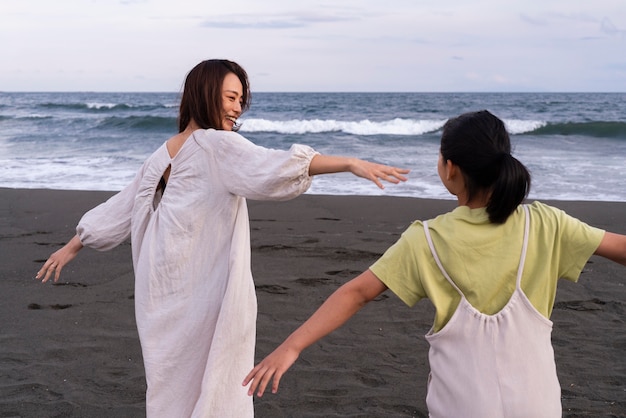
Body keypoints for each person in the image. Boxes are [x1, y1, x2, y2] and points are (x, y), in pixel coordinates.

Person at [35, 59, 409, 417]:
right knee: (219, 374)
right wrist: (348, 163)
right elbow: (271, 166)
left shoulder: (163, 151)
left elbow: (121, 208)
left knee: (170, 380)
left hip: (159, 292)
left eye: (241, 100)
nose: (238, 108)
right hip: (204, 289)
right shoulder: (215, 145)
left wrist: (74, 244)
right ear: (205, 93)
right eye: (231, 97)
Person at [243, 110, 626, 417]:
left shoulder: (426, 238)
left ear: (450, 168)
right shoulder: (546, 223)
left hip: (461, 404)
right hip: (538, 403)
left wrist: (291, 347)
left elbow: (357, 293)